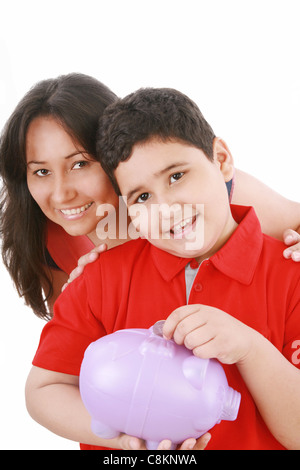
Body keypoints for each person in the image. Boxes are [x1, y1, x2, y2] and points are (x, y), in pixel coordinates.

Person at [26, 88, 300, 450]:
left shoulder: (290, 276)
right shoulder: (99, 278)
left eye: (176, 177)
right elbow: (45, 389)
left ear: (221, 160)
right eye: (142, 197)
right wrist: (127, 439)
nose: (166, 208)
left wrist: (250, 348)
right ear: (126, 207)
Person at [0, 73, 300, 321]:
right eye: (41, 172)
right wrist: (83, 303)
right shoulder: (46, 237)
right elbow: (79, 355)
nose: (61, 194)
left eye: (80, 164)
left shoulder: (207, 196)